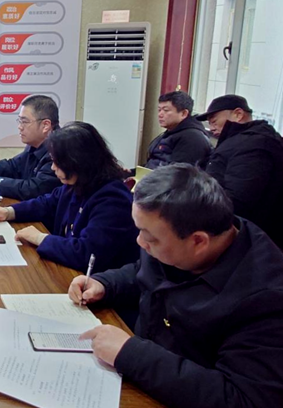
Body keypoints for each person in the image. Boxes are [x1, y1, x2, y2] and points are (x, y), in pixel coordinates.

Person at [70, 164, 283, 408]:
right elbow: (143, 271)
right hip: (141, 376)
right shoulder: (183, 235)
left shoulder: (266, 300)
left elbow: (242, 399)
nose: (140, 241)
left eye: (149, 237)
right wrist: (105, 283)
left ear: (198, 241)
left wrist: (132, 354)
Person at [0, 122, 139, 273]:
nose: (53, 167)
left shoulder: (113, 199)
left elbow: (86, 253)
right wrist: (9, 212)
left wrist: (39, 238)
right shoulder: (78, 183)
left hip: (95, 282)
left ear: (78, 162)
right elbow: (46, 203)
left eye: (57, 162)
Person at [196, 94, 283, 248]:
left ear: (238, 114)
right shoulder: (240, 141)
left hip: (244, 239)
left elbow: (238, 200)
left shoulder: (255, 144)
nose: (212, 127)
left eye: (214, 121)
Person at [144, 91, 211, 169]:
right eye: (159, 110)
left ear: (183, 113)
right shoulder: (172, 131)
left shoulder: (192, 138)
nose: (160, 114)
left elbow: (179, 172)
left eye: (166, 110)